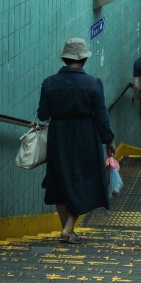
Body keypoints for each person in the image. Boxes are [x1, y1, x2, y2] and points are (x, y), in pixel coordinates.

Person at [36, 38, 115, 245]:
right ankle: (68, 229)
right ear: (83, 59)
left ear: (65, 58)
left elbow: (43, 114)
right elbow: (101, 115)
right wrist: (108, 139)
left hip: (58, 137)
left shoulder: (49, 83)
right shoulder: (93, 83)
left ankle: (67, 230)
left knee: (60, 182)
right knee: (85, 182)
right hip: (85, 136)